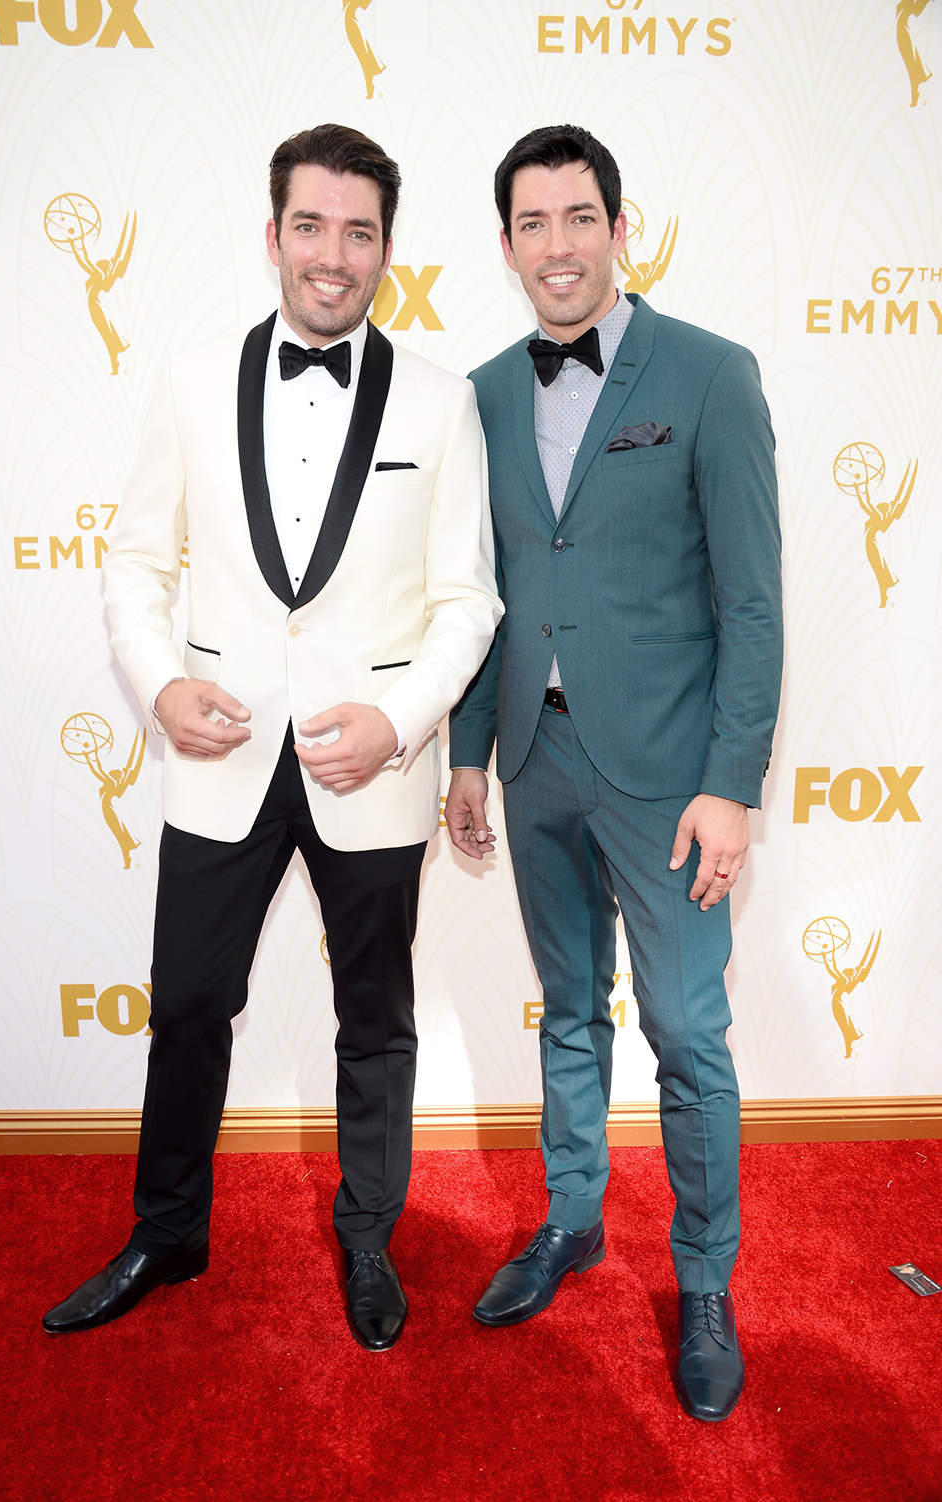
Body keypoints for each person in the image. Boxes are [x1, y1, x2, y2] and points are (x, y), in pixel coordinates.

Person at [42, 123, 502, 1352]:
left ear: (386, 250)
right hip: (220, 757)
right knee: (190, 1004)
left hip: (375, 770)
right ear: (273, 236)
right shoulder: (191, 382)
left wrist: (401, 720)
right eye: (312, 226)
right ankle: (167, 1229)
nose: (333, 255)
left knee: (377, 1019)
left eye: (359, 233)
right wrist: (156, 686)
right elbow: (137, 563)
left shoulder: (444, 401)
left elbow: (470, 600)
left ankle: (368, 1237)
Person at [446, 125, 781, 1421]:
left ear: (619, 226)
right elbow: (484, 592)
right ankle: (572, 1220)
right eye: (533, 224)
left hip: (670, 778)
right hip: (535, 762)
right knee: (569, 1008)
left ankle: (705, 1280)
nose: (558, 245)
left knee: (687, 1032)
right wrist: (471, 754)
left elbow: (754, 602)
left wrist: (734, 781)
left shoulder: (709, 373)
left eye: (578, 217)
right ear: (508, 245)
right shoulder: (479, 391)